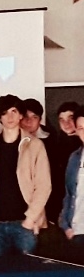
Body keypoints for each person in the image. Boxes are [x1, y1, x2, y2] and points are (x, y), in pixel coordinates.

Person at [0, 95, 51, 256]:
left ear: (21, 115)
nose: (10, 116)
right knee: (0, 271)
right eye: (5, 112)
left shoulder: (35, 145)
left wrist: (30, 219)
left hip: (24, 223)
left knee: (27, 270)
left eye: (14, 111)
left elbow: (44, 185)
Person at [59, 106, 84, 256]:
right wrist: (66, 226)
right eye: (80, 128)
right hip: (77, 230)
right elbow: (69, 193)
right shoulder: (75, 157)